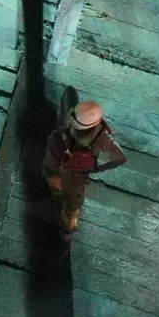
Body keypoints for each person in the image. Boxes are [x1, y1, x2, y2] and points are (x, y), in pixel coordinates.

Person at [42, 92, 126, 233]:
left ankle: (68, 224)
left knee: (73, 198)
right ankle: (55, 189)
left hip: (76, 171)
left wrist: (95, 168)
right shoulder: (71, 117)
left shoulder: (102, 137)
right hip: (57, 157)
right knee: (51, 175)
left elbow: (119, 158)